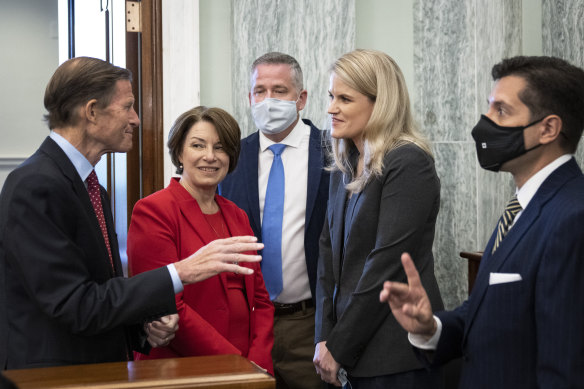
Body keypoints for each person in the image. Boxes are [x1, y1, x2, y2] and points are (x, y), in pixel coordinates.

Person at [0, 57, 263, 370]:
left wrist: (145, 327)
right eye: (128, 106)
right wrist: (181, 272)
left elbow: (101, 293)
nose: (136, 119)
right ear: (92, 111)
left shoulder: (93, 189)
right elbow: (73, 304)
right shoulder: (35, 185)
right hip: (55, 373)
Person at [380, 56, 584, 388]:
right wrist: (430, 328)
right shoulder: (525, 205)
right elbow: (491, 311)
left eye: (501, 111)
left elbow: (565, 363)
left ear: (548, 129)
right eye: (489, 108)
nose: (484, 123)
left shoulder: (572, 218)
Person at [313, 49, 444, 388]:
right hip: (345, 350)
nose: (331, 108)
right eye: (331, 96)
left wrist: (339, 345)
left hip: (394, 356)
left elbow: (386, 263)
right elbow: (327, 257)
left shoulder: (408, 162)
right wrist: (324, 338)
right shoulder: (344, 163)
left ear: (380, 102)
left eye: (344, 98)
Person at [127, 106, 274, 373]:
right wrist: (236, 364)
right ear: (180, 152)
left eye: (220, 147)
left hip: (249, 367)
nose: (210, 156)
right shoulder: (154, 211)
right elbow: (166, 303)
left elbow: (261, 300)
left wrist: (258, 361)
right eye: (198, 145)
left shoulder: (237, 215)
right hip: (182, 366)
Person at [219, 52, 330, 388]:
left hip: (309, 325)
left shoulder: (333, 152)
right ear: (249, 97)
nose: (269, 100)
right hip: (248, 325)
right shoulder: (231, 158)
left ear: (301, 98)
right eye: (260, 91)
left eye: (280, 90)